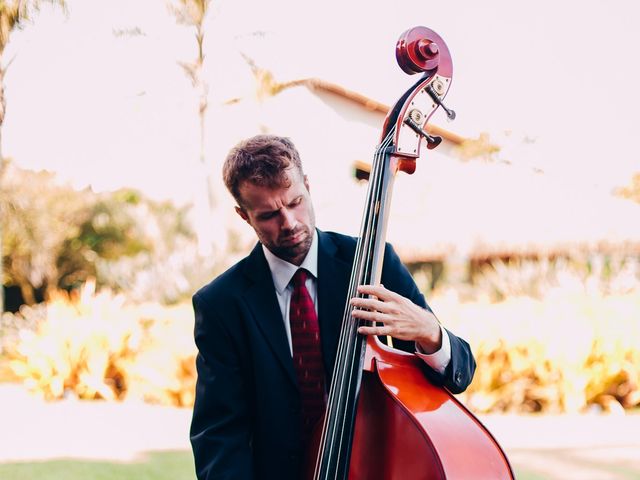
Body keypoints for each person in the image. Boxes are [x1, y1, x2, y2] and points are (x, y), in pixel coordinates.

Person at [190, 134, 476, 480]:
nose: (290, 223)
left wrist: (430, 333)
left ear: (308, 186)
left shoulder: (373, 263)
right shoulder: (220, 304)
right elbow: (219, 434)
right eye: (268, 215)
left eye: (295, 202)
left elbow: (460, 373)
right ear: (244, 216)